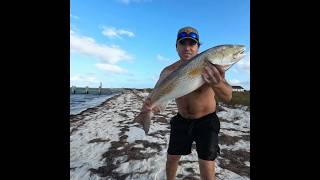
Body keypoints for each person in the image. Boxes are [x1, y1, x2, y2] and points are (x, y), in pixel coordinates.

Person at [141, 26, 233, 180]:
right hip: (181, 120)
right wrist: (150, 108)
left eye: (192, 44)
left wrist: (217, 83)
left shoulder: (211, 66)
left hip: (207, 121)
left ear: (198, 47)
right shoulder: (167, 72)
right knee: (172, 158)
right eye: (183, 43)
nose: (187, 48)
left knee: (207, 163)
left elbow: (228, 96)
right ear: (176, 46)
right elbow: (159, 98)